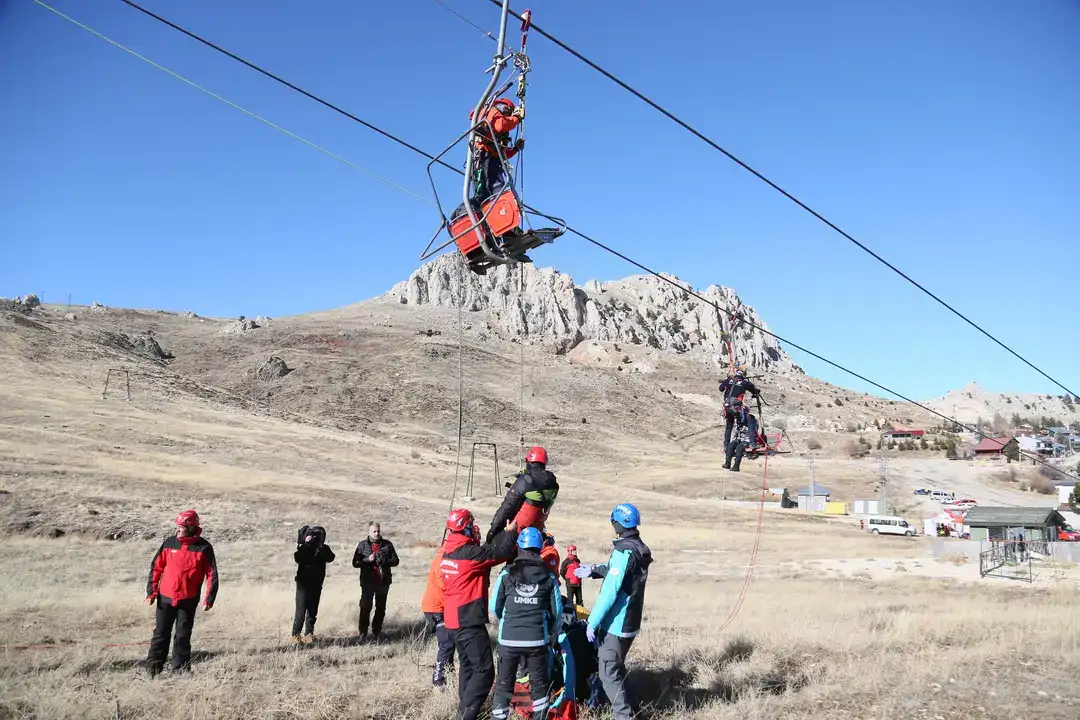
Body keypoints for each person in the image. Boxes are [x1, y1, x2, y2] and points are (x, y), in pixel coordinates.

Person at [574, 503, 652, 720]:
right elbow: (619, 573)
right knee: (616, 667)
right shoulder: (638, 547)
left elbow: (611, 591)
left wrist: (592, 622)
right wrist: (594, 570)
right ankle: (633, 708)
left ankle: (624, 715)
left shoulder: (623, 551)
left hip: (617, 624)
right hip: (631, 622)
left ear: (617, 524)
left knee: (609, 674)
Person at [440, 508, 519, 720]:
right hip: (468, 620)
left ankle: (464, 709)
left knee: (468, 666)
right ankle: (467, 714)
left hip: (454, 620)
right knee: (484, 672)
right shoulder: (469, 555)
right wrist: (511, 532)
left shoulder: (449, 551)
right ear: (465, 527)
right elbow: (499, 554)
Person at [490, 527, 563, 720]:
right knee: (539, 687)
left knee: (504, 686)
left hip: (509, 640)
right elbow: (557, 612)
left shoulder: (507, 573)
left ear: (519, 547)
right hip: (537, 641)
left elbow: (494, 607)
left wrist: (506, 620)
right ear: (540, 548)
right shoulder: (549, 576)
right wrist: (552, 632)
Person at [145, 509, 218, 677]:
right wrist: (152, 591)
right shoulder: (169, 543)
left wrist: (209, 598)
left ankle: (180, 671)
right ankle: (153, 670)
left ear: (191, 528)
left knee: (182, 636)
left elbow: (211, 574)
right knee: (160, 634)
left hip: (188, 599)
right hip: (165, 598)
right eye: (177, 526)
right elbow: (156, 567)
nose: (177, 529)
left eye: (181, 527)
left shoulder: (204, 547)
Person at [422, 523, 474, 688]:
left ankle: (448, 677)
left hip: (444, 606)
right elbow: (443, 582)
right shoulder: (444, 556)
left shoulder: (450, 553)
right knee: (446, 644)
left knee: (449, 643)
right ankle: (438, 680)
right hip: (436, 607)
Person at [487, 445, 559, 544]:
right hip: (535, 534)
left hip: (517, 533)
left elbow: (507, 507)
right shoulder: (553, 484)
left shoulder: (525, 481)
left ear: (529, 461)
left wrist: (493, 530)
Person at [470, 97, 526, 202]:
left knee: (487, 194)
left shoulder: (496, 126)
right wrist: (517, 118)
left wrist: (515, 148)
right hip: (485, 159)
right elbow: (501, 125)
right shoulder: (493, 112)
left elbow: (501, 154)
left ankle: (470, 211)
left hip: (491, 161)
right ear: (506, 108)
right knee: (496, 190)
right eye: (509, 113)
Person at [352, 521, 399, 642]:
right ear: (369, 532)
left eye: (378, 531)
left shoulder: (387, 545)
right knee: (365, 606)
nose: (376, 533)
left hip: (383, 581)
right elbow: (355, 563)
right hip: (367, 582)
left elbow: (396, 561)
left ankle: (376, 631)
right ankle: (363, 632)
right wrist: (367, 559)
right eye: (374, 531)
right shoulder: (362, 545)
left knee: (380, 607)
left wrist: (384, 560)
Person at [291, 525, 335, 645]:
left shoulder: (324, 549)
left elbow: (331, 558)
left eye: (319, 536)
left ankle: (309, 633)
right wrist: (305, 545)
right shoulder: (305, 548)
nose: (317, 538)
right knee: (300, 610)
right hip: (303, 584)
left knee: (312, 610)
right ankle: (296, 635)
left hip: (316, 584)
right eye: (315, 536)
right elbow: (298, 558)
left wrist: (320, 548)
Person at [719, 366, 761, 451]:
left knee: (729, 425)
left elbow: (721, 389)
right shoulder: (745, 383)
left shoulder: (728, 380)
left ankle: (726, 446)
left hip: (727, 407)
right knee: (751, 419)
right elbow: (755, 391)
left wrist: (727, 381)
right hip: (736, 408)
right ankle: (752, 443)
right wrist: (756, 391)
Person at [723, 406, 759, 473]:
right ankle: (727, 463)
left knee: (740, 446)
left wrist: (752, 442)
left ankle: (736, 466)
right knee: (731, 444)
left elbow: (752, 431)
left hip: (749, 439)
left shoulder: (751, 419)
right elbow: (732, 430)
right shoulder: (738, 421)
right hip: (741, 438)